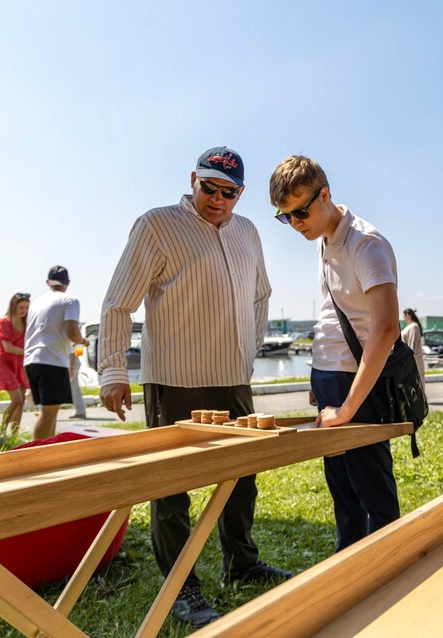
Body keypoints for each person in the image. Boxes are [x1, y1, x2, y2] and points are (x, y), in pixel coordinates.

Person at [98, 146, 288, 628]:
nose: (218, 199)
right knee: (172, 487)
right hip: (173, 379)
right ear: (193, 180)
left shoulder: (248, 232)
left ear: (240, 193)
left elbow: (261, 296)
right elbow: (118, 303)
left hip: (233, 377)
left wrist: (248, 350)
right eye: (209, 188)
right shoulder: (156, 225)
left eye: (229, 192)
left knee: (243, 476)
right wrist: (113, 371)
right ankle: (181, 586)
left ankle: (241, 563)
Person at [270, 154, 401, 551]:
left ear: (324, 195)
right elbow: (335, 312)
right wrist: (319, 373)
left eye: (301, 212)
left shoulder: (366, 244)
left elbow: (386, 328)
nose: (296, 224)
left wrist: (346, 408)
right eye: (286, 217)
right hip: (331, 376)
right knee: (343, 494)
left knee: (373, 493)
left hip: (356, 380)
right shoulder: (324, 238)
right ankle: (348, 570)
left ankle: (387, 572)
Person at [23, 266, 88, 441]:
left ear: (48, 282)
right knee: (48, 412)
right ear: (68, 283)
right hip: (53, 359)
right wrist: (82, 341)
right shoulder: (70, 300)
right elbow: (72, 332)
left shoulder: (37, 303)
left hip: (32, 360)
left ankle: (48, 448)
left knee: (50, 410)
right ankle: (39, 452)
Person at [0, 292, 31, 435]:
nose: (24, 311)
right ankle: (1, 432)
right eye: (21, 308)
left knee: (21, 400)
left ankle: (14, 435)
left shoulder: (27, 322)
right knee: (17, 399)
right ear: (13, 307)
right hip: (4, 362)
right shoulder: (3, 322)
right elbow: (8, 348)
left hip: (19, 361)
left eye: (26, 308)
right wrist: (30, 352)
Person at [401, 308, 425, 385]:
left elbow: (412, 345)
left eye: (404, 315)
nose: (403, 317)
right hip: (409, 358)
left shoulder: (414, 326)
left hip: (413, 359)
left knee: (416, 383)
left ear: (408, 315)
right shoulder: (410, 326)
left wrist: (408, 359)